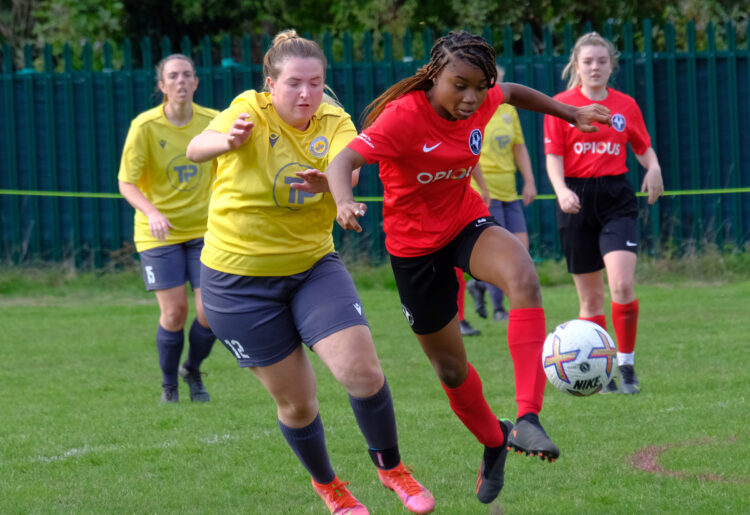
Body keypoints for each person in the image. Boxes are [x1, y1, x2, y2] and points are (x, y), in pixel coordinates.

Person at [310, 31, 611, 505]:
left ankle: (529, 419)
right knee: (451, 370)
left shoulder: (486, 98)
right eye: (460, 85)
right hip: (414, 251)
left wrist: (570, 112)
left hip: (465, 221)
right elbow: (344, 157)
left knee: (524, 277)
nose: (472, 97)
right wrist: (343, 201)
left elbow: (510, 93)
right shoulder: (402, 118)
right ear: (435, 77)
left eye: (480, 85)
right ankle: (496, 442)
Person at [185, 30, 434, 515]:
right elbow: (196, 146)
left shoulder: (333, 118)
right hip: (237, 285)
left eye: (315, 84)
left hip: (312, 267)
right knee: (299, 403)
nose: (305, 94)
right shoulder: (249, 110)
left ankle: (393, 469)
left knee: (361, 371)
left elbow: (351, 165)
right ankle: (331, 489)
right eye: (294, 84)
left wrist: (334, 186)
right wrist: (225, 139)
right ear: (270, 84)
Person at [544, 32, 663, 395]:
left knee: (622, 285)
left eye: (602, 61)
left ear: (612, 65)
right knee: (591, 300)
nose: (595, 67)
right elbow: (553, 157)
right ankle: (601, 371)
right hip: (576, 199)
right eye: (588, 61)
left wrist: (654, 166)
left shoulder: (625, 106)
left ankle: (626, 366)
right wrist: (562, 191)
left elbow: (643, 147)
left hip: (616, 197)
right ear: (576, 67)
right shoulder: (561, 105)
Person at [118, 54, 218, 404]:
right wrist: (153, 212)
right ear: (161, 86)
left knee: (211, 313)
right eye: (173, 76)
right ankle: (169, 387)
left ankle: (191, 369)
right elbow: (126, 182)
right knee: (175, 312)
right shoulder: (145, 127)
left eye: (187, 75)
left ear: (196, 82)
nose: (181, 81)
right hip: (157, 232)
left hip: (205, 232)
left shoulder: (214, 122)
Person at [466, 65, 537, 323]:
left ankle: (480, 286)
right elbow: (467, 152)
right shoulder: (471, 109)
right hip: (484, 192)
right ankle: (499, 308)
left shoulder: (508, 109)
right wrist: (482, 187)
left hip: (510, 190)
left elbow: (519, 147)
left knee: (521, 251)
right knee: (501, 253)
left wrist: (529, 180)